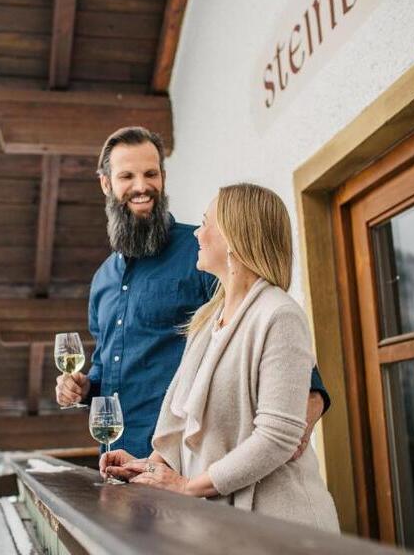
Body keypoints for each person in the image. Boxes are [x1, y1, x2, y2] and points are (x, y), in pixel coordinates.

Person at [55, 126, 329, 460]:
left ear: (163, 178)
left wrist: (311, 396)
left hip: (185, 459)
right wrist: (84, 388)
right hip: (118, 456)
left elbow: (262, 317)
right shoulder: (102, 280)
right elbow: (104, 365)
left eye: (151, 174)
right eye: (127, 175)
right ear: (106, 183)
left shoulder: (202, 251)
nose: (141, 186)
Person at [101, 183, 340, 532]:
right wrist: (147, 468)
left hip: (282, 530)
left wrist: (186, 488)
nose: (197, 233)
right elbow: (181, 426)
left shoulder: (279, 315)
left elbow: (277, 438)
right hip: (221, 527)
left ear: (234, 235)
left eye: (205, 222)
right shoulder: (205, 322)